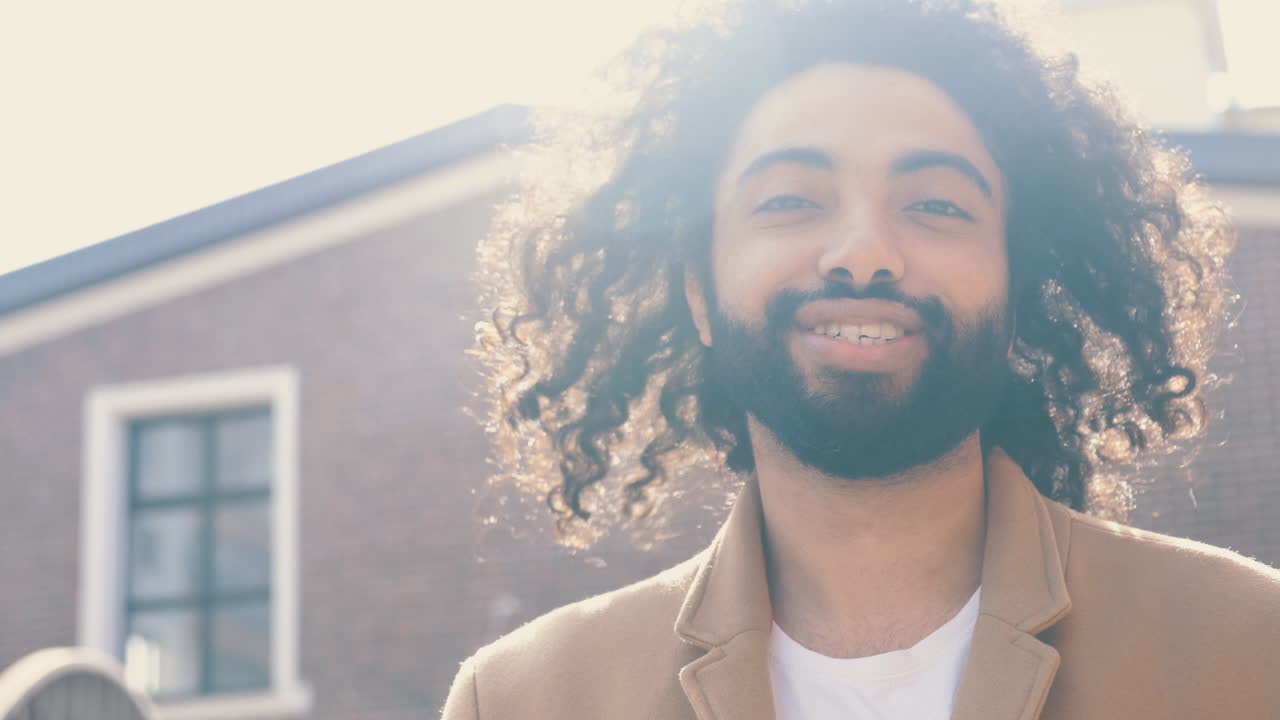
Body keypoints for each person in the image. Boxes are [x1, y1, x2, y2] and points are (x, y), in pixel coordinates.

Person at [445, 0, 1280, 717]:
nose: (863, 254)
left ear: (1021, 284)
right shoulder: (524, 699)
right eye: (790, 200)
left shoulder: (1252, 648)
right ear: (698, 290)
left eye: (936, 205)